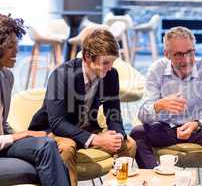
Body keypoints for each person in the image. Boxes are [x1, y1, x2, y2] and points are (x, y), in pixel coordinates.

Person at [29, 28, 136, 186]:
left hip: (87, 129)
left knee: (129, 144)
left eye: (112, 62)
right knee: (67, 147)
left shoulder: (111, 74)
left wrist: (118, 134)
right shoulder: (61, 75)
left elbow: (113, 112)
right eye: (105, 62)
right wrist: (96, 140)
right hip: (54, 131)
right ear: (87, 57)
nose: (109, 67)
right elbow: (57, 122)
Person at [130, 26, 202, 186]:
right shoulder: (157, 69)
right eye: (179, 54)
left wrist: (197, 124)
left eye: (190, 52)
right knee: (137, 134)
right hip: (166, 129)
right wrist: (159, 105)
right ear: (167, 54)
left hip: (199, 130)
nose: (187, 59)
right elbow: (142, 114)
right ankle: (159, 182)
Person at [0, 13, 70, 185]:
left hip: (4, 144)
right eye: (10, 47)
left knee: (49, 144)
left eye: (16, 45)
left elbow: (2, 124)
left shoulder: (6, 76)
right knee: (49, 157)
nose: (17, 51)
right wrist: (24, 134)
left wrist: (23, 136)